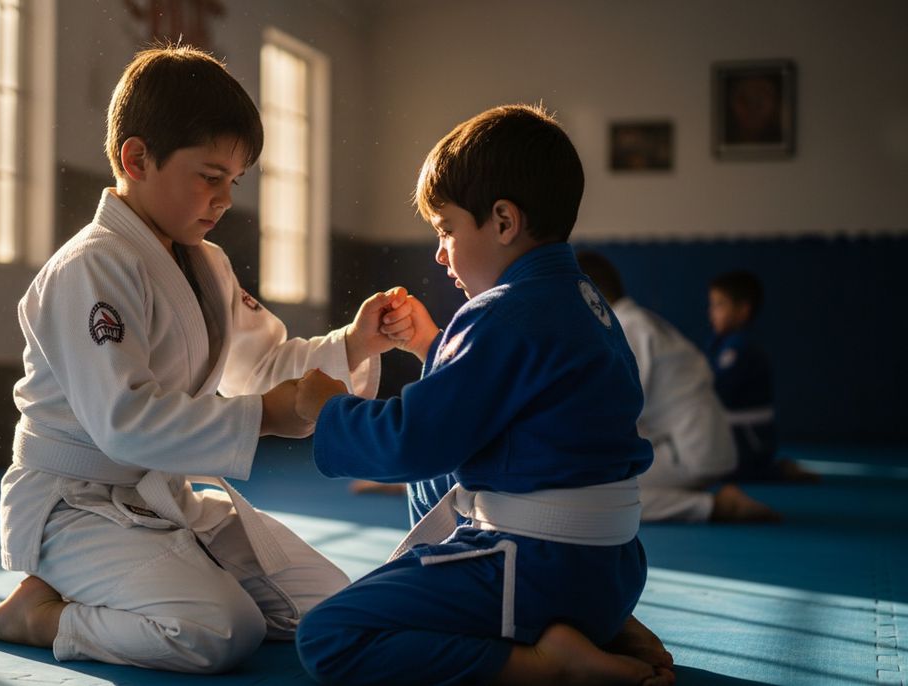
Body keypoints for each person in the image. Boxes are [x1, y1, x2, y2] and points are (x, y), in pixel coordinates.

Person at [0, 44, 402, 674]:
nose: (225, 200)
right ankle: (42, 614)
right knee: (219, 631)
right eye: (209, 176)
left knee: (336, 611)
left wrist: (355, 344)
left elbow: (261, 363)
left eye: (235, 182)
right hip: (75, 503)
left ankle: (125, 581)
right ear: (136, 159)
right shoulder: (91, 267)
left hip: (163, 495)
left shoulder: (206, 262)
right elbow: (125, 421)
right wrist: (265, 418)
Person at [293, 104, 674, 686]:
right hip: (610, 571)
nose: (440, 252)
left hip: (533, 569)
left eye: (446, 229)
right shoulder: (583, 299)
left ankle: (545, 665)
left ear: (502, 221)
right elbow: (518, 399)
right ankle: (603, 625)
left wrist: (327, 411)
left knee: (328, 636)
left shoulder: (499, 313)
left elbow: (413, 441)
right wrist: (432, 348)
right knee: (445, 477)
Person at [576, 251, 779, 523]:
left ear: (589, 293)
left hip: (692, 451)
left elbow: (619, 411)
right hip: (697, 442)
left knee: (596, 490)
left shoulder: (626, 328)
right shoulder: (637, 320)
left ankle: (713, 506)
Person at [707, 270, 818, 482]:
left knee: (709, 471)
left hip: (749, 441)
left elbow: (718, 391)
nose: (711, 312)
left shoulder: (741, 348)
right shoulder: (720, 344)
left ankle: (777, 471)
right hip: (738, 436)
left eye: (719, 305)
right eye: (712, 304)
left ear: (742, 310)